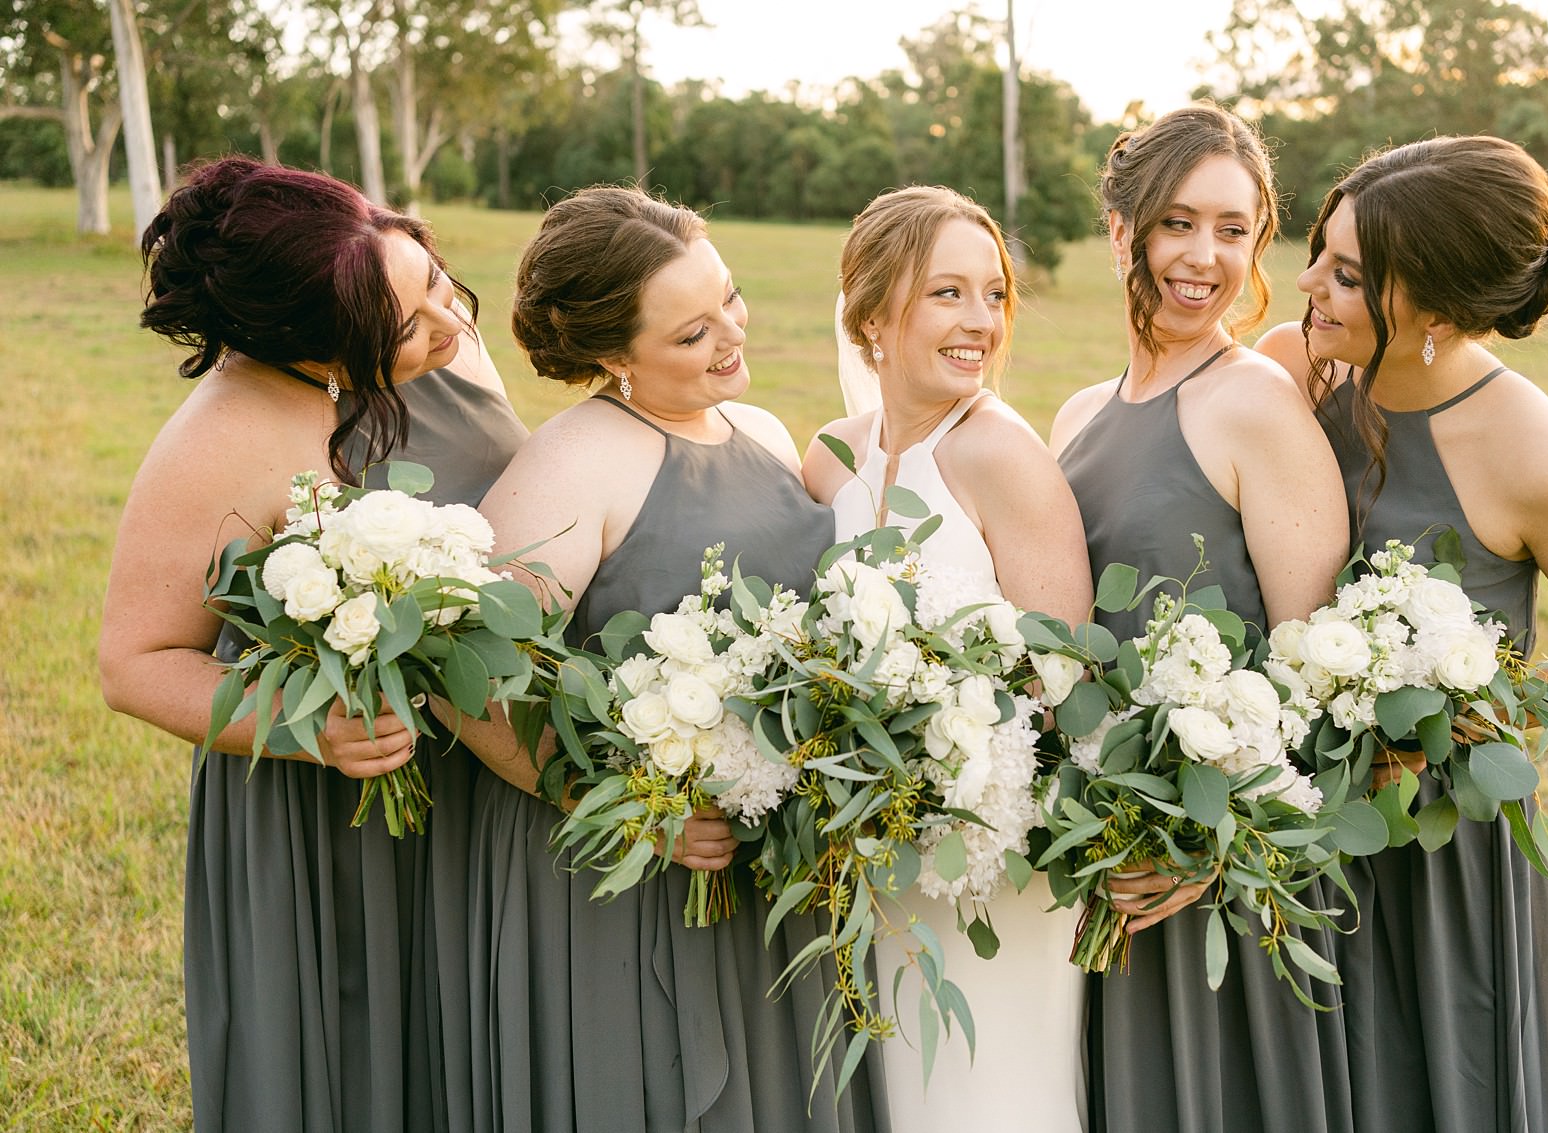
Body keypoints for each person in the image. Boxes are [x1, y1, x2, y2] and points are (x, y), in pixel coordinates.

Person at [1256, 134, 1548, 1133]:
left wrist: (1456, 727)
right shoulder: (1299, 367)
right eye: (1320, 251)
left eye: (1346, 275)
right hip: (1285, 803)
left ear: (1439, 312)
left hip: (1432, 837)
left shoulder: (1535, 454)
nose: (1308, 285)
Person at [97, 156, 528, 1133]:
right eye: (407, 328)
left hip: (491, 775)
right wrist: (313, 728)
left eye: (438, 281)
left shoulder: (440, 331)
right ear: (312, 344)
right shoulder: (224, 436)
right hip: (336, 817)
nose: (449, 324)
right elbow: (134, 662)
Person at [448, 185, 880, 1133]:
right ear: (615, 355)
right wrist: (628, 809)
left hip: (765, 863)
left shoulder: (760, 431)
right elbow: (466, 682)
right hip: (627, 878)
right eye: (692, 333)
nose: (731, 334)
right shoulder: (575, 463)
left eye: (729, 297)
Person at [1048, 104, 1353, 1133]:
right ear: (1120, 230)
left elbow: (1312, 675)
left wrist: (1209, 837)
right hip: (1100, 847)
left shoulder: (1254, 403)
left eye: (1233, 229)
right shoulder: (1076, 415)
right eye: (1178, 223)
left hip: (1213, 866)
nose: (1205, 256)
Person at [802, 184, 1095, 1133]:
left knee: (989, 1093)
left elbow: (1064, 683)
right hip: (876, 856)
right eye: (947, 293)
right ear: (871, 316)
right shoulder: (831, 459)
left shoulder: (1003, 456)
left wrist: (947, 764)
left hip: (989, 862)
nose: (981, 321)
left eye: (995, 294)